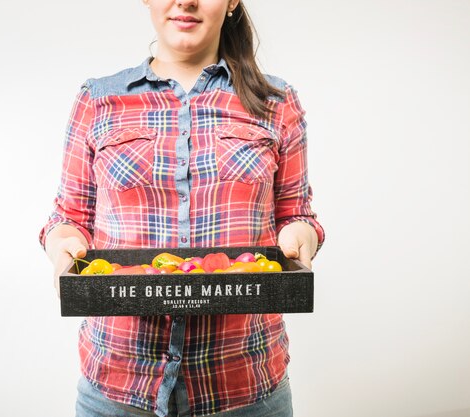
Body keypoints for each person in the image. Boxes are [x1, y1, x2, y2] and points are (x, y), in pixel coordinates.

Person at [39, 0, 325, 416]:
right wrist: (62, 243)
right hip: (118, 385)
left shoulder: (276, 101)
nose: (186, 1)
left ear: (231, 2)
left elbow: (297, 213)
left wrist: (299, 236)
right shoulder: (97, 100)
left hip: (244, 385)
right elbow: (69, 217)